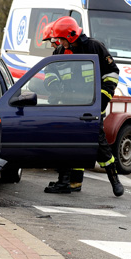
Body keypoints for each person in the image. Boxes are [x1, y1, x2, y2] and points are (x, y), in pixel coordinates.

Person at [43, 16, 124, 197]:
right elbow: (49, 71)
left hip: (91, 107)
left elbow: (112, 73)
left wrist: (102, 98)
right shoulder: (60, 52)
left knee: (100, 145)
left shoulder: (94, 47)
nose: (59, 43)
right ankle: (70, 182)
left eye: (61, 39)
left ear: (71, 36)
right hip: (69, 107)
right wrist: (53, 85)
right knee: (67, 144)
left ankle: (115, 181)